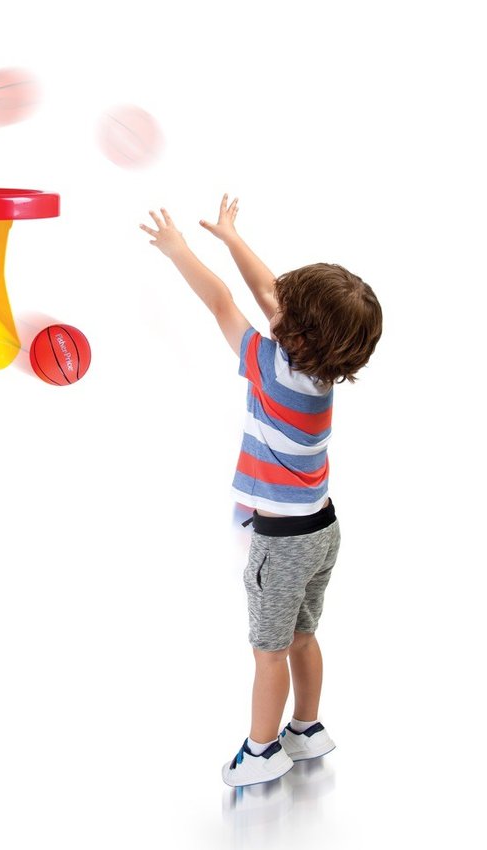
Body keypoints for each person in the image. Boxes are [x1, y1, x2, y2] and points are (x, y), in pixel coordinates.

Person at [140, 196, 382, 787]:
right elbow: (272, 296)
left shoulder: (271, 367)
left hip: (282, 544)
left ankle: (261, 750)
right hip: (322, 530)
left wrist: (179, 251)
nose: (274, 304)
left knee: (268, 651)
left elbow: (223, 301)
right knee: (303, 635)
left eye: (284, 311)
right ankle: (307, 728)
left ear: (293, 333)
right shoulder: (320, 370)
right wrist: (231, 237)